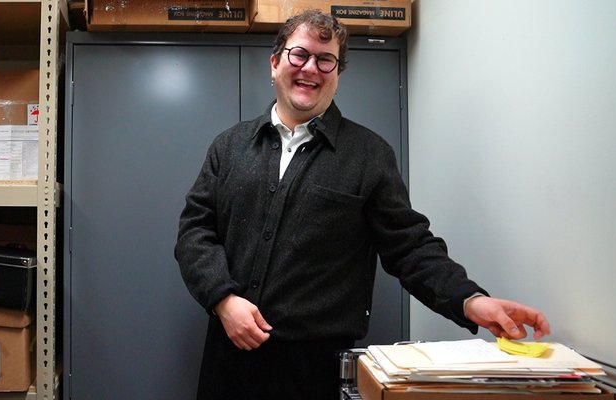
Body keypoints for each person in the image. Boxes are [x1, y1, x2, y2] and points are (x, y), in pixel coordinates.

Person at [174, 9, 550, 400]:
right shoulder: (229, 146)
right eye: (299, 54)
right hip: (228, 358)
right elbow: (195, 232)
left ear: (337, 74)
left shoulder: (369, 154)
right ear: (275, 63)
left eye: (325, 60)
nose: (310, 68)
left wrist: (471, 300)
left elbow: (409, 247)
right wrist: (223, 298)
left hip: (315, 370)